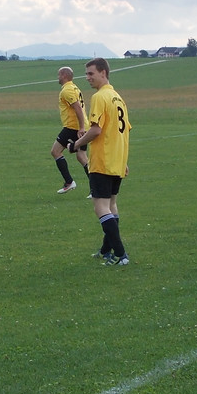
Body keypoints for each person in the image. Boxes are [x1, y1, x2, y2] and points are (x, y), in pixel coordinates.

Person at [72, 58, 132, 266]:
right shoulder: (118, 98)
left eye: (91, 73)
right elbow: (123, 131)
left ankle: (121, 255)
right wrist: (123, 159)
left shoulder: (99, 97)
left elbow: (96, 130)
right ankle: (106, 250)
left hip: (103, 160)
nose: (87, 78)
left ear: (103, 73)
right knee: (111, 205)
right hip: (116, 160)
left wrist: (76, 144)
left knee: (100, 207)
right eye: (86, 74)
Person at [50, 66, 89, 193]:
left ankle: (69, 182)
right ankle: (96, 188)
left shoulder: (67, 90)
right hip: (81, 126)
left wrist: (81, 127)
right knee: (81, 156)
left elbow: (77, 108)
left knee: (55, 151)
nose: (58, 77)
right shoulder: (74, 87)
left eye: (59, 75)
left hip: (73, 127)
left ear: (64, 75)